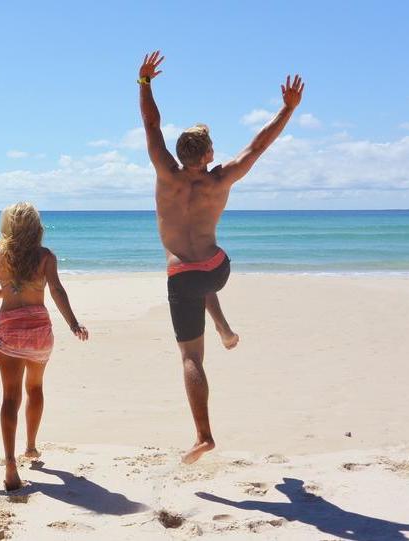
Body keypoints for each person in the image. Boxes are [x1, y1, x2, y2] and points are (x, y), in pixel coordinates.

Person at [138, 50, 304, 464]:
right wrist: (287, 109)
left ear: (182, 154)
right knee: (202, 281)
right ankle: (226, 330)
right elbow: (259, 144)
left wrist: (144, 83)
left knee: (191, 356)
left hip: (184, 274)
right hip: (218, 268)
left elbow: (151, 124)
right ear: (208, 154)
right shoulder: (223, 176)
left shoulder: (165, 170)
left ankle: (203, 435)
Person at [0, 202, 88, 490]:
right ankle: (30, 447)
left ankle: (10, 464)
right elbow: (56, 291)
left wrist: (9, 289)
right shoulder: (46, 257)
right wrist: (74, 324)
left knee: (9, 397)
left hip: (10, 332)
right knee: (35, 389)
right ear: (36, 228)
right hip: (40, 331)